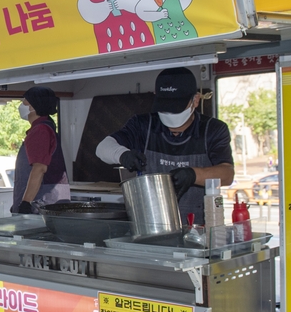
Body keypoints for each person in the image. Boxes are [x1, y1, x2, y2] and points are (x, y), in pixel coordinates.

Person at [96, 67, 234, 224]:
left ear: (195, 100)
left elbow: (227, 174)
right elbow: (102, 148)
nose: (170, 114)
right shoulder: (143, 125)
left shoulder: (212, 129)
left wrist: (193, 175)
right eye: (165, 107)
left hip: (197, 229)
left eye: (176, 108)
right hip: (151, 225)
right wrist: (122, 154)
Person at [13, 86, 70, 214]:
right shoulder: (46, 128)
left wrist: (26, 202)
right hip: (49, 199)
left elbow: (39, 168)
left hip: (42, 201)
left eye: (24, 102)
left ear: (33, 106)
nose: (21, 106)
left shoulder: (40, 131)